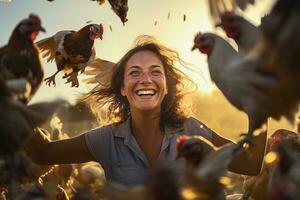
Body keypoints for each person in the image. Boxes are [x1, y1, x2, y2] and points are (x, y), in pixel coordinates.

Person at [25, 35, 267, 185]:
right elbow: (43, 153)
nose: (145, 80)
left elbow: (249, 164)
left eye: (155, 72)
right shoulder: (106, 140)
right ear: (122, 88)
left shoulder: (192, 129)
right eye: (134, 72)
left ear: (165, 87)